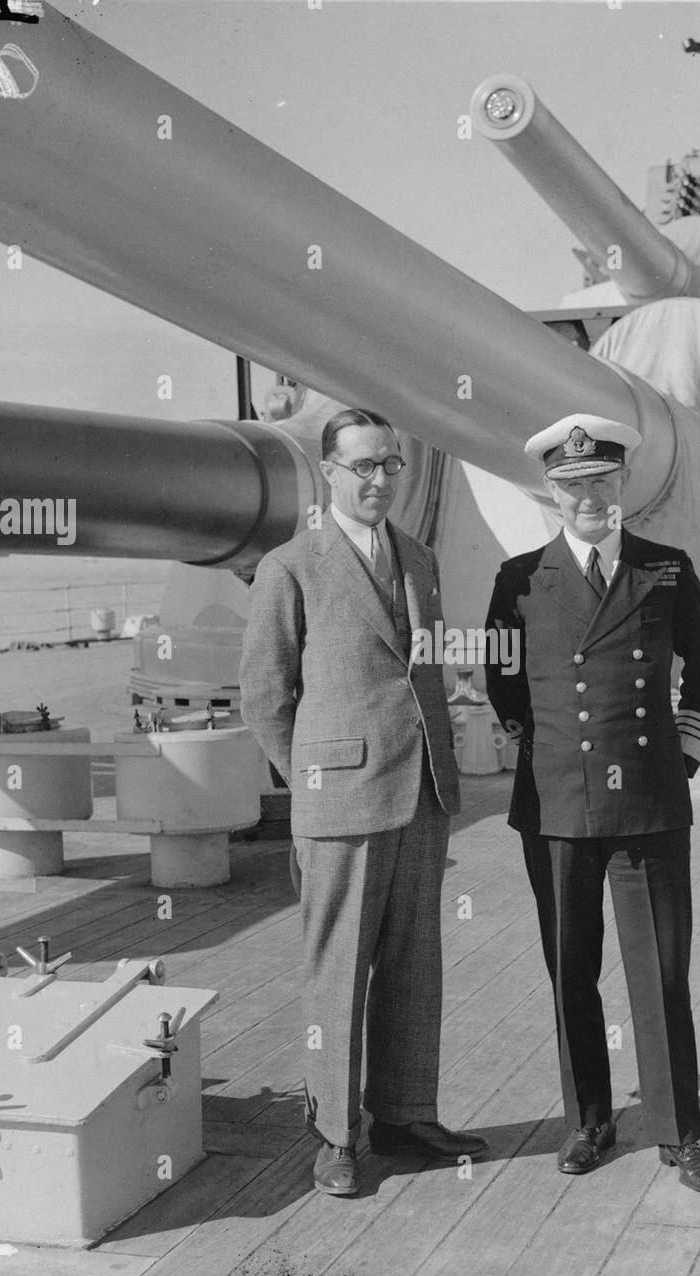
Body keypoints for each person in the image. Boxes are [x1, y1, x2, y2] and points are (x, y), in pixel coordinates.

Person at [240, 407, 486, 1196]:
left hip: (422, 793)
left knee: (415, 964)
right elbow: (264, 697)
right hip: (338, 800)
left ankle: (406, 1113)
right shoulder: (292, 565)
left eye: (391, 466)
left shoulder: (420, 558)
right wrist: (312, 778)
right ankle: (339, 1136)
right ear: (330, 474)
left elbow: (425, 677)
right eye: (364, 467)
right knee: (338, 972)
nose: (379, 480)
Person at [484, 413, 700, 1195]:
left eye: (601, 482)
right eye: (571, 485)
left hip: (651, 803)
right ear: (551, 492)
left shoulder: (667, 568)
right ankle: (589, 1120)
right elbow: (504, 684)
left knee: (661, 974)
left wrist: (682, 756)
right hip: (558, 804)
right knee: (571, 970)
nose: (589, 496)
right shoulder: (518, 578)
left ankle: (678, 1133)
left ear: (622, 484)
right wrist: (547, 755)